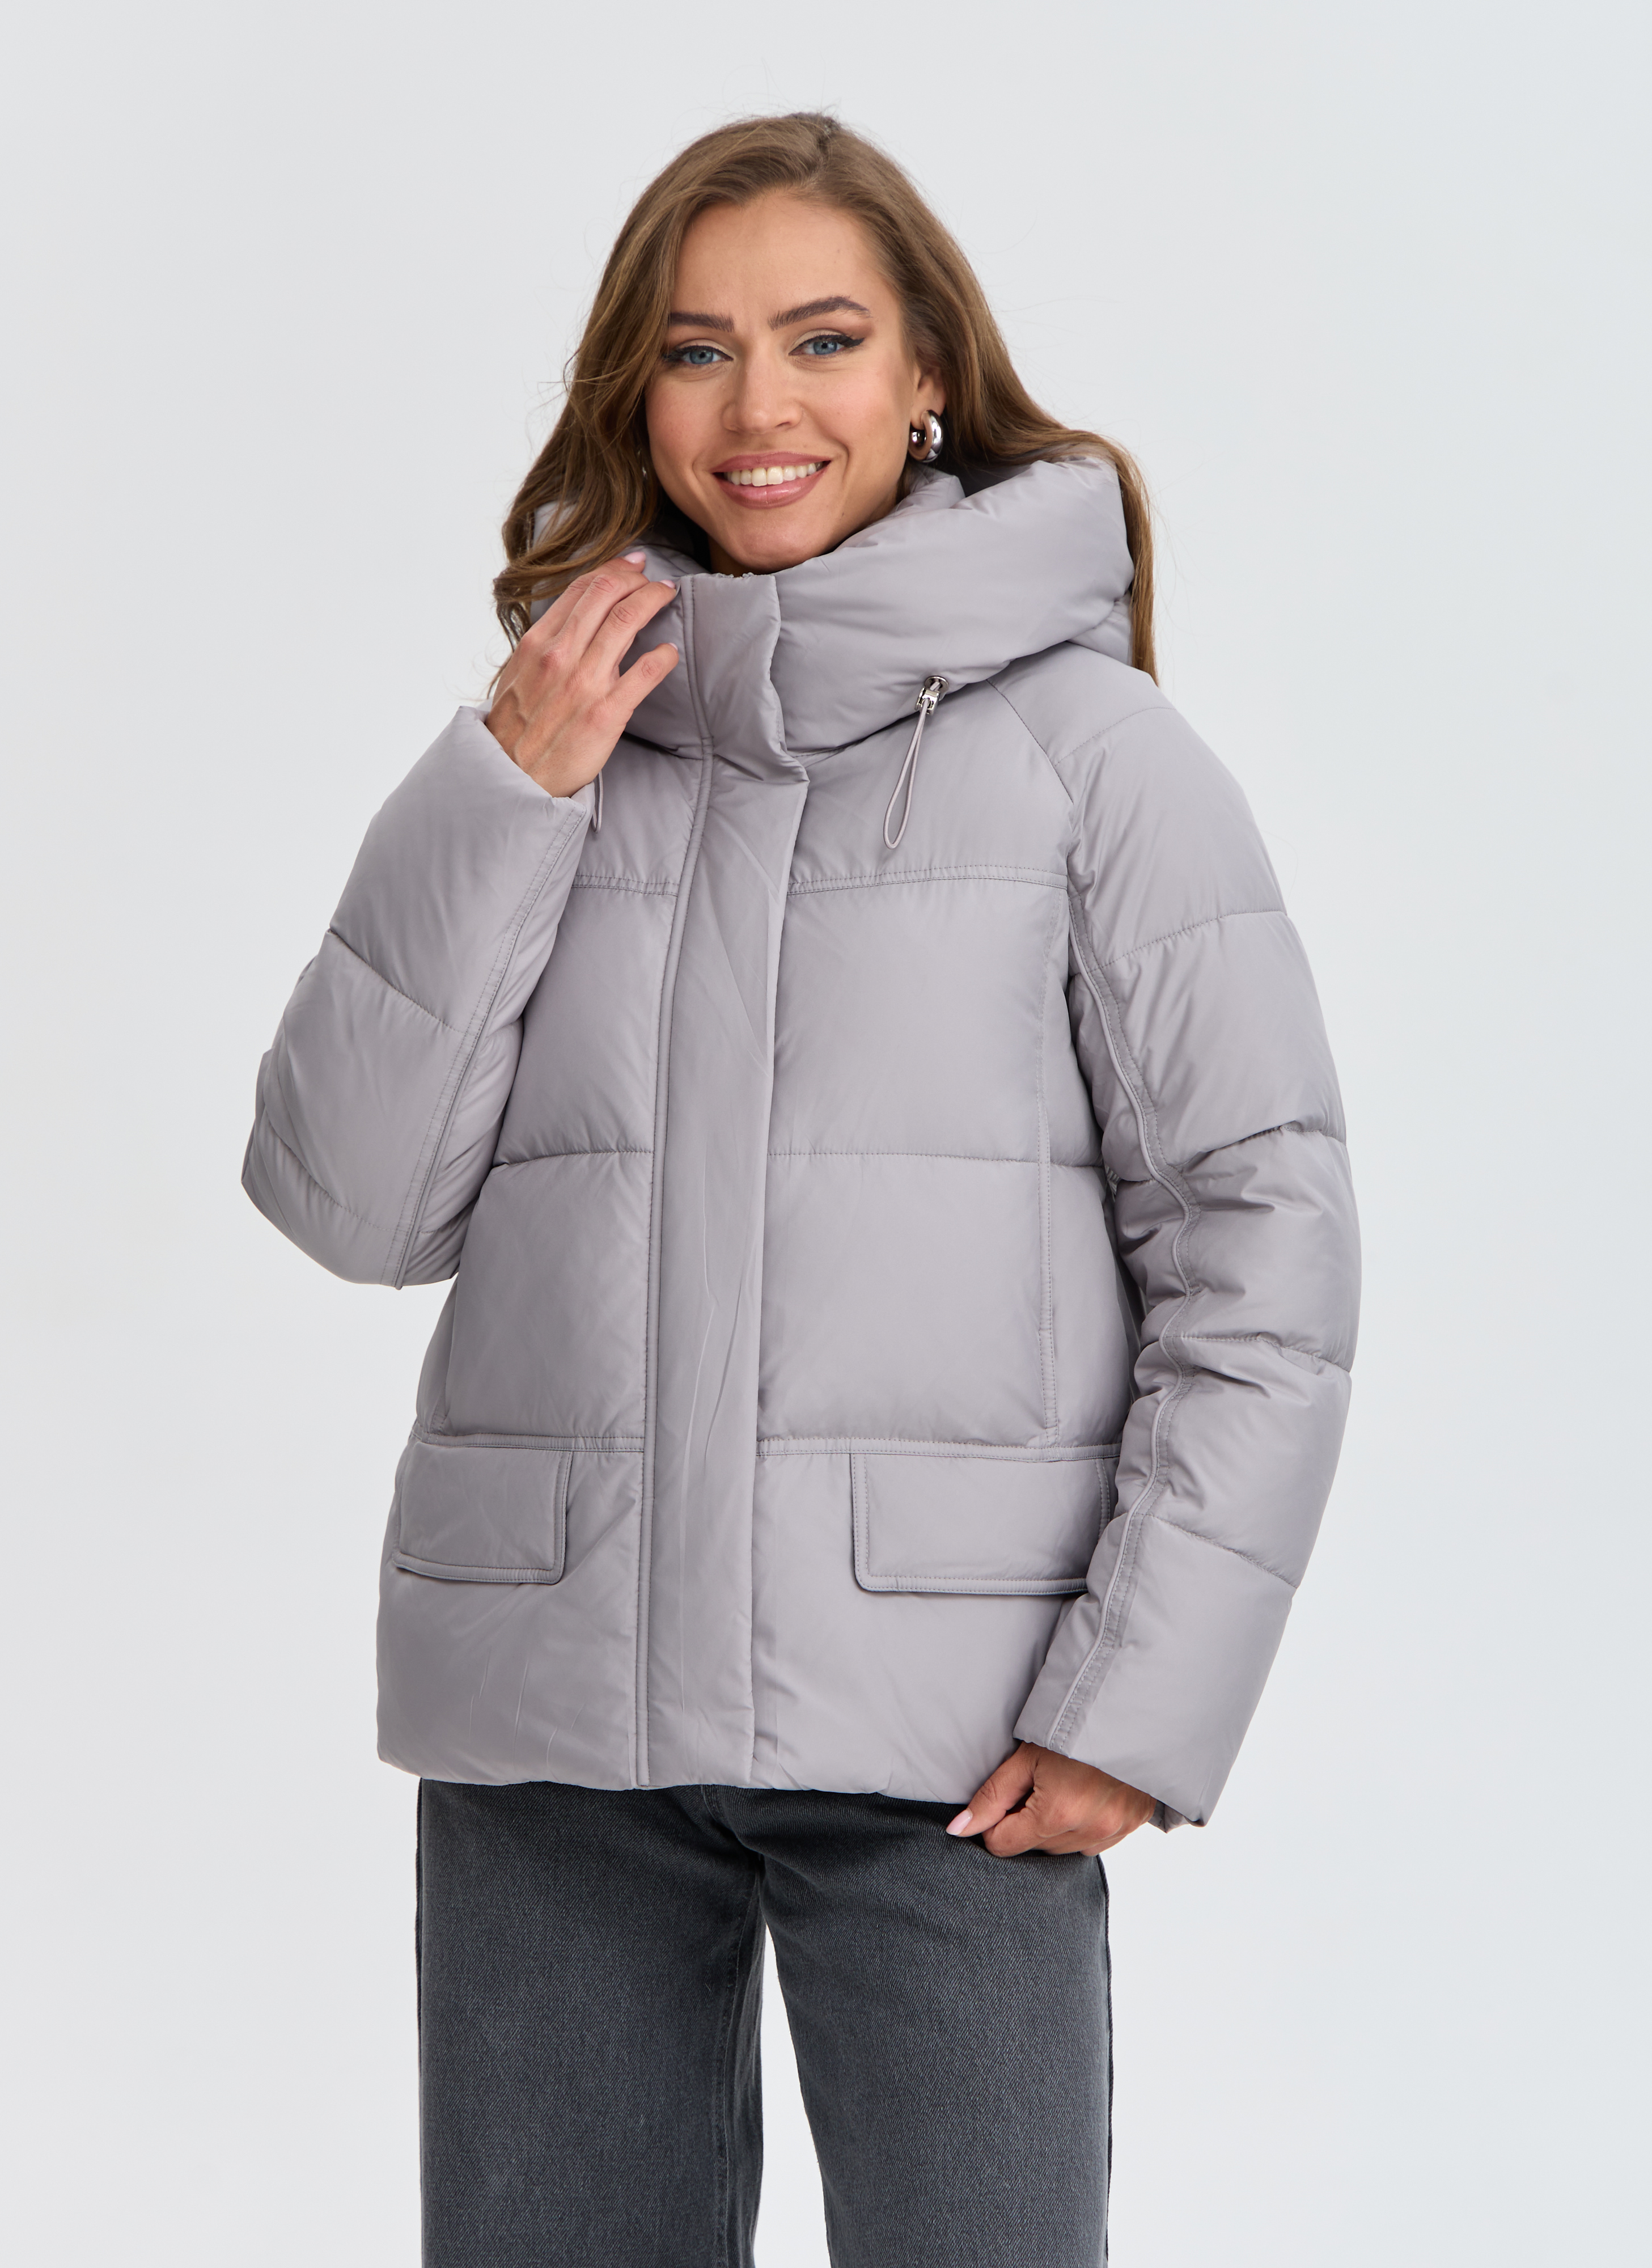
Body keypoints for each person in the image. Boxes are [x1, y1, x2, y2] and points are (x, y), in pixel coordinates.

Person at [243, 111, 1359, 2268]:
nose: (760, 407)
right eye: (698, 350)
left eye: (824, 339)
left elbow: (1262, 1256)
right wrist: (502, 793)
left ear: (927, 370)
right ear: (634, 392)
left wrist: (1138, 1709)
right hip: (557, 1727)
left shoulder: (1093, 762)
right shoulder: (556, 752)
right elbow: (350, 1206)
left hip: (960, 1748)